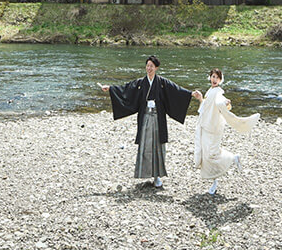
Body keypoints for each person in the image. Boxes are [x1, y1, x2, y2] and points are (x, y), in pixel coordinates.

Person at [99, 55, 200, 188]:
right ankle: (145, 172)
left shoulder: (163, 83)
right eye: (147, 66)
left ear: (156, 67)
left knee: (158, 146)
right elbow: (126, 89)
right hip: (145, 117)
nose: (149, 68)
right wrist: (111, 89)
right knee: (145, 145)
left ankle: (157, 176)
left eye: (151, 66)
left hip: (158, 118)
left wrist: (190, 94)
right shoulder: (141, 83)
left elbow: (176, 90)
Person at [193, 67, 260, 195]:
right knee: (207, 155)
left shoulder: (218, 92)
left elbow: (220, 101)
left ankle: (232, 159)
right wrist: (201, 98)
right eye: (213, 77)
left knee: (213, 154)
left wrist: (226, 103)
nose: (214, 79)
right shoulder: (210, 90)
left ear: (220, 80)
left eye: (217, 78)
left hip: (214, 128)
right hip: (206, 126)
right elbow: (206, 106)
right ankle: (215, 181)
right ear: (210, 78)